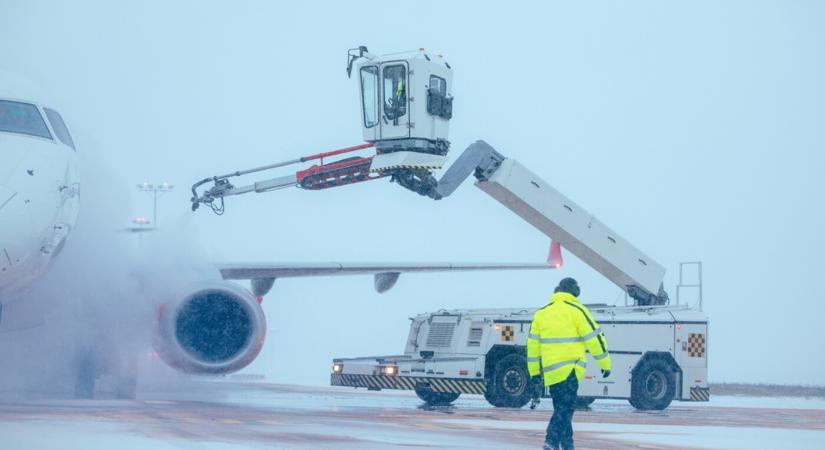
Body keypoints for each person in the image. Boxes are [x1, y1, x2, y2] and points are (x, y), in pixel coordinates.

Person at [527, 277, 612, 450]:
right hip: (570, 369)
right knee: (566, 409)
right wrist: (605, 363)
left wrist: (535, 373)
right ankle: (550, 440)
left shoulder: (541, 313)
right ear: (575, 292)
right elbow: (595, 338)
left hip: (552, 373)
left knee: (562, 408)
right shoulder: (577, 310)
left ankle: (567, 445)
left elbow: (532, 348)